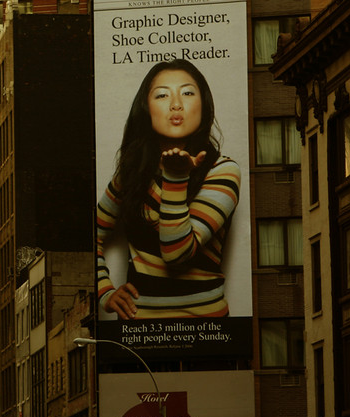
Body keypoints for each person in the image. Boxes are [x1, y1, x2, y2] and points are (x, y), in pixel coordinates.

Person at [96, 59, 241, 319]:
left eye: (187, 92)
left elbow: (177, 254)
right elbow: (91, 234)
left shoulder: (222, 170)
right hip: (138, 338)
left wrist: (175, 176)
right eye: (162, 95)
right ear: (146, 108)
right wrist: (104, 291)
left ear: (204, 104)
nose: (176, 104)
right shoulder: (132, 173)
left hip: (209, 336)